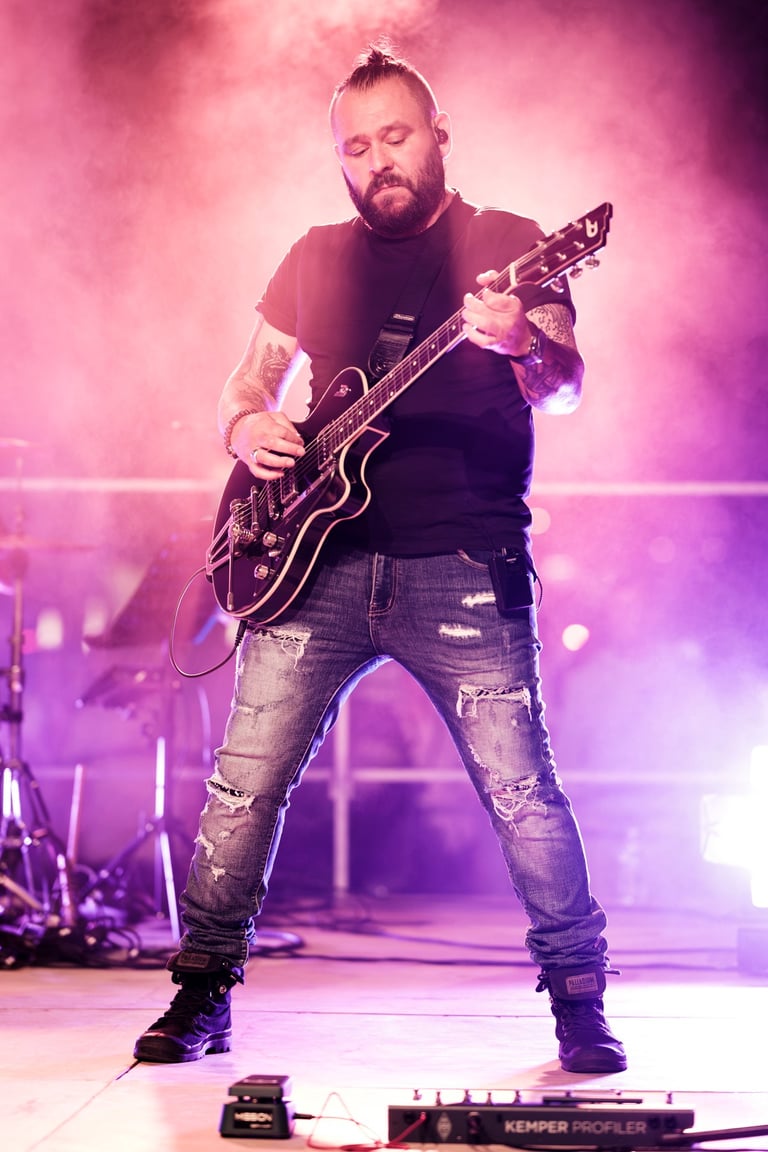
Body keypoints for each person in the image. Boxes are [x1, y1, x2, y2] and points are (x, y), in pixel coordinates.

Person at [133, 43, 626, 1075]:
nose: (377, 161)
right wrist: (245, 430)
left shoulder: (512, 244)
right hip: (314, 564)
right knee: (243, 785)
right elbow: (247, 384)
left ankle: (580, 1001)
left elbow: (567, 385)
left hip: (464, 562)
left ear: (439, 135)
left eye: (395, 137)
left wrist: (520, 345)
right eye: (355, 148)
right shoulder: (313, 255)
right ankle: (202, 990)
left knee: (522, 791)